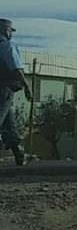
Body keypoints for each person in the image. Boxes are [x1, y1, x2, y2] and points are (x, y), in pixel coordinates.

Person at [0, 19, 31, 166]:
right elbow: (16, 68)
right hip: (3, 89)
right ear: (6, 31)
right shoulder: (7, 45)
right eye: (10, 31)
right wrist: (27, 86)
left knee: (8, 122)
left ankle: (19, 154)